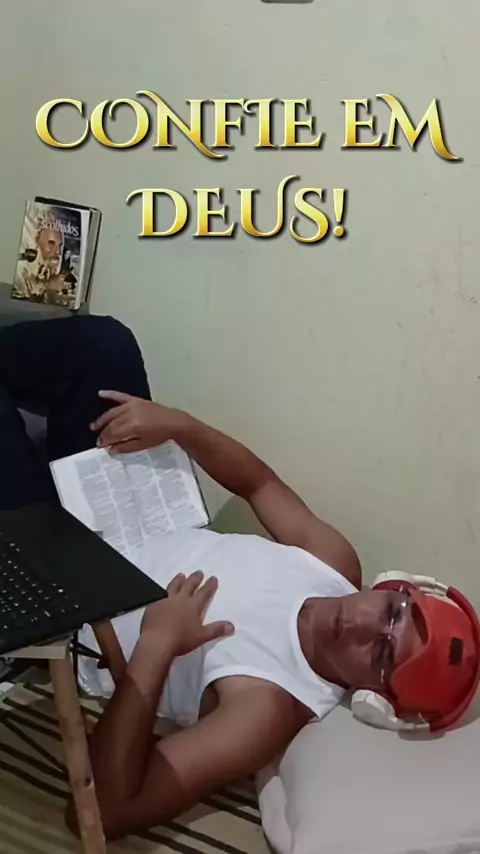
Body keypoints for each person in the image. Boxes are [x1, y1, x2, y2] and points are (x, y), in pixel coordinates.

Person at [69, 392, 479, 841]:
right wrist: (180, 426)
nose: (363, 624)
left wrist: (156, 645)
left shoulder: (264, 709)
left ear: (374, 699)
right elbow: (258, 484)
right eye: (392, 610)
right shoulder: (333, 565)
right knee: (102, 357)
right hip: (113, 517)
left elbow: (103, 814)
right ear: (393, 586)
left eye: (382, 653)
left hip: (68, 605)